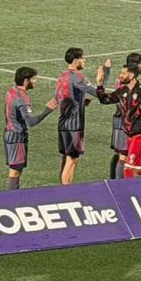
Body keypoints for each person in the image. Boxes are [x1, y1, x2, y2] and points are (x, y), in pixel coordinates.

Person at [98, 54, 141, 178]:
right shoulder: (122, 90)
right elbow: (104, 99)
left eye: (123, 73)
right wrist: (100, 84)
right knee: (139, 170)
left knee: (128, 168)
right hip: (128, 134)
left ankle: (127, 195)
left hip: (140, 136)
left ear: (131, 75)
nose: (120, 75)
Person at [53, 47, 108, 185]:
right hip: (74, 124)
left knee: (66, 158)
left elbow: (60, 97)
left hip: (63, 122)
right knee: (72, 159)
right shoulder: (78, 77)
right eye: (83, 58)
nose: (85, 60)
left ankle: (63, 188)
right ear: (76, 60)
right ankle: (66, 193)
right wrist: (102, 78)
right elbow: (98, 93)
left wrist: (81, 102)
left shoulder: (62, 76)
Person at [4, 67, 59, 189]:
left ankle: (12, 196)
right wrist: (48, 110)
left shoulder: (11, 91)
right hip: (17, 137)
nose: (35, 81)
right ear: (25, 81)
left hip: (9, 134)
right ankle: (12, 199)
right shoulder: (23, 99)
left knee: (15, 170)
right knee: (15, 171)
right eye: (33, 79)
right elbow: (30, 122)